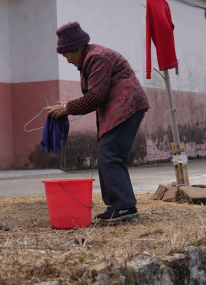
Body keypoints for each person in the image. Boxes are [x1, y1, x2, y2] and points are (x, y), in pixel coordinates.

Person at [47, 21, 149, 222]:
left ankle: (125, 206)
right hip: (122, 107)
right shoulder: (91, 58)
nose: (67, 60)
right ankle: (116, 205)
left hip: (127, 106)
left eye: (67, 54)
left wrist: (67, 108)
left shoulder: (96, 58)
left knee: (110, 154)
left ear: (76, 49)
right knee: (106, 153)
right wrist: (68, 106)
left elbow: (96, 97)